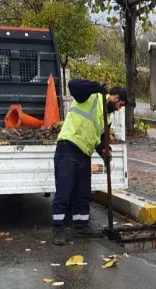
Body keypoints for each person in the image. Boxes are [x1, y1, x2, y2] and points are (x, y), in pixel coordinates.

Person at [52, 79, 127, 245]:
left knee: (83, 194)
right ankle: (58, 229)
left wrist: (105, 152)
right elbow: (73, 85)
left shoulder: (106, 119)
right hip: (68, 148)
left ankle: (81, 225)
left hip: (84, 154)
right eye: (119, 105)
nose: (118, 109)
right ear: (114, 97)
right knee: (64, 192)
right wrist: (96, 86)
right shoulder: (91, 97)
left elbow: (100, 140)